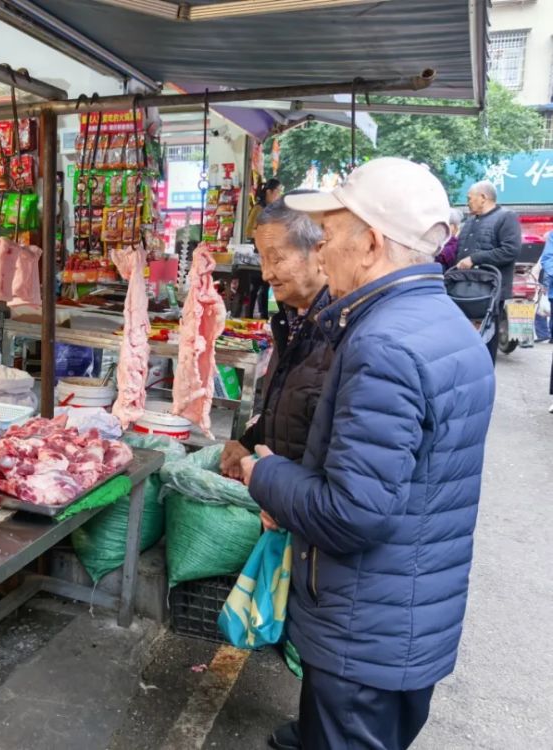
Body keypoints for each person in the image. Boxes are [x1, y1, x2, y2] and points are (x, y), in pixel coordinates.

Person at [240, 158, 495, 750]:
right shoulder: (448, 325)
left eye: (327, 239)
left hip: (365, 633)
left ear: (372, 244)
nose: (320, 254)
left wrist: (265, 473)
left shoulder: (383, 343)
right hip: (408, 619)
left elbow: (354, 512)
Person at [221, 196, 331, 480]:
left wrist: (287, 493)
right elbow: (290, 407)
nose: (266, 273)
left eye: (277, 259)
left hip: (307, 502)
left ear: (320, 253)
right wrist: (250, 442)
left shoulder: (341, 327)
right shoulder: (290, 318)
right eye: (262, 258)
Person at [456, 180, 522, 360]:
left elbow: (510, 250)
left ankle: (484, 375)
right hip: (464, 289)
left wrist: (475, 258)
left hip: (489, 291)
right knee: (463, 337)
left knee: (486, 338)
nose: (467, 202)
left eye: (469, 198)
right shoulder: (470, 221)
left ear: (483, 198)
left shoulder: (506, 217)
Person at [244, 178, 283, 319]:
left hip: (267, 253)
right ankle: (253, 316)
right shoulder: (258, 208)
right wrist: (265, 236)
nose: (279, 195)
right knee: (257, 287)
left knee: (267, 286)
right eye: (277, 191)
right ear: (269, 192)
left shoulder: (270, 209)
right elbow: (248, 231)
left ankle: (267, 316)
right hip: (257, 254)